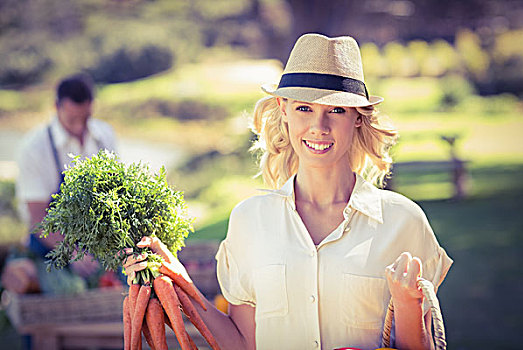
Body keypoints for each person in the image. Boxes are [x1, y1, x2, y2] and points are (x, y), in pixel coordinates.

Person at [124, 33, 453, 350]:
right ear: (283, 109)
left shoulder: (403, 222)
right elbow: (243, 344)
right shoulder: (249, 221)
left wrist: (409, 305)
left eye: (336, 110)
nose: (318, 128)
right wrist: (179, 284)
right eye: (304, 109)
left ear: (357, 117)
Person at [9, 73, 118, 291]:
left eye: (85, 119)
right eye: (72, 120)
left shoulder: (104, 135)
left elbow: (114, 193)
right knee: (70, 291)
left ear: (92, 106)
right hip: (49, 245)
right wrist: (73, 253)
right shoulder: (34, 148)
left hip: (95, 242)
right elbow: (38, 217)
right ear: (56, 107)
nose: (79, 128)